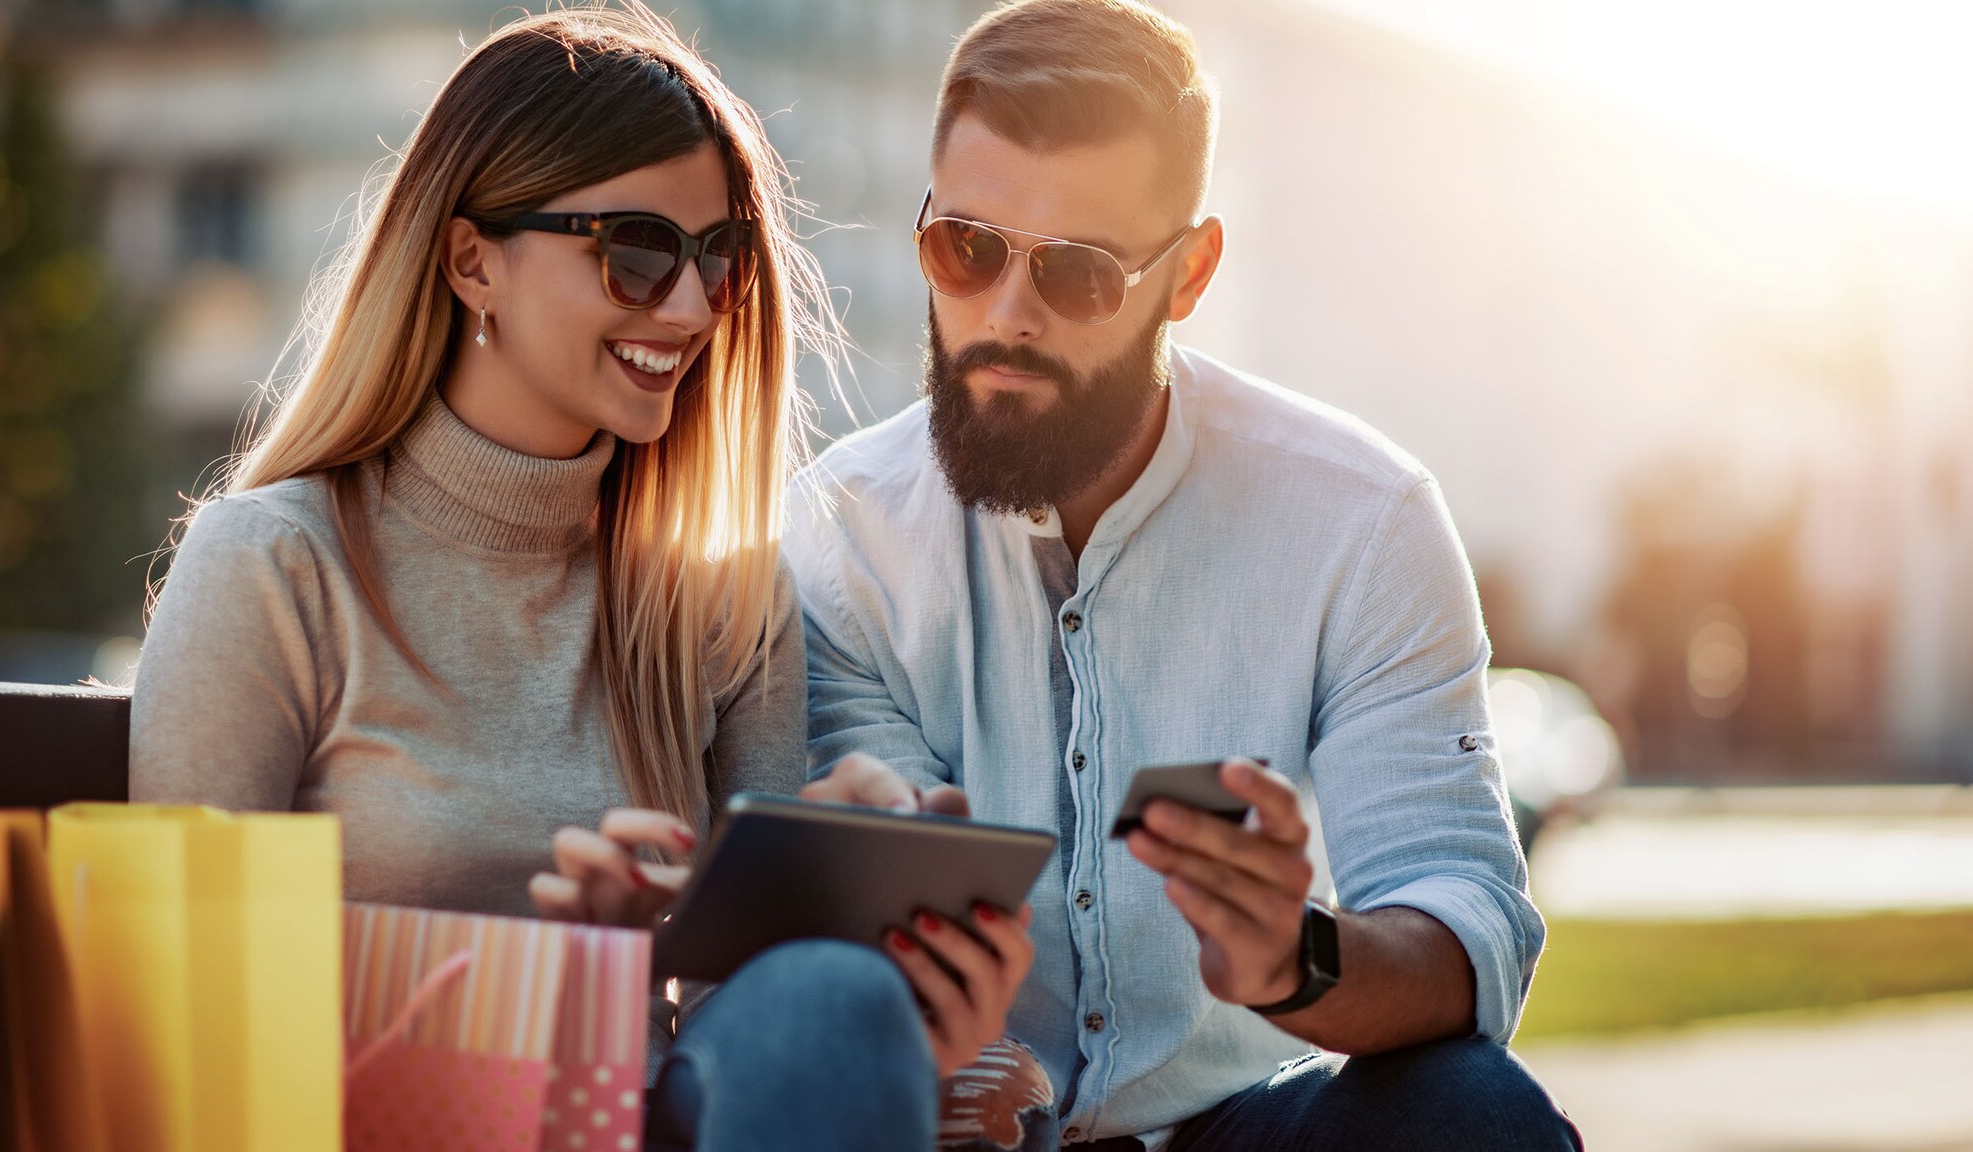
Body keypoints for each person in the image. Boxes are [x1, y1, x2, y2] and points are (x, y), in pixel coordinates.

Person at [128, 8, 1030, 1149]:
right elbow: (177, 1007)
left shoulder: (725, 603)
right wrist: (560, 982)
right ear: (472, 262)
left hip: (640, 1123)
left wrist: (873, 972)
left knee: (830, 1003)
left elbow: (749, 1029)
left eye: (717, 258)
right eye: (636, 252)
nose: (691, 309)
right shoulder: (273, 565)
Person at [784, 1, 1583, 1148]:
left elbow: (1465, 925)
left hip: (1234, 1125)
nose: (1005, 316)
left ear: (1189, 272)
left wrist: (1293, 960)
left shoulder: (1360, 519)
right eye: (966, 248)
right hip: (952, 1124)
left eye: (1077, 274)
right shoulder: (841, 531)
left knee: (1470, 1113)